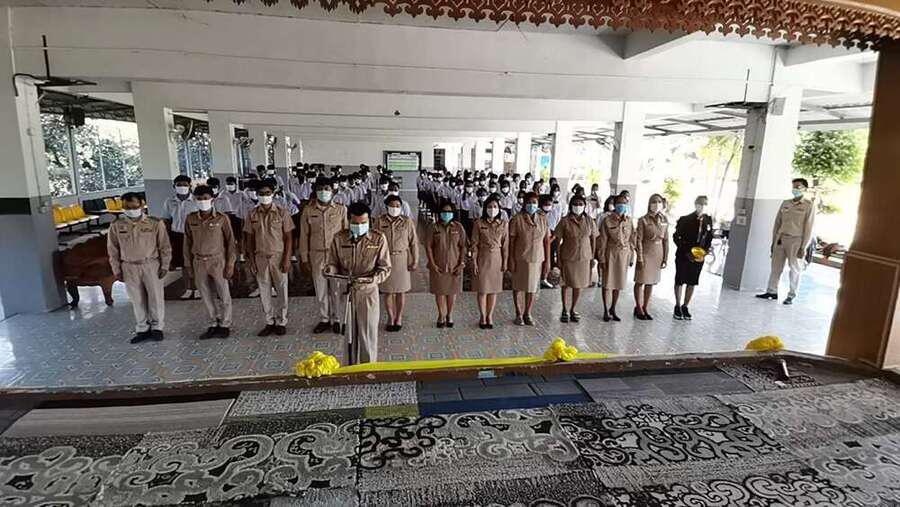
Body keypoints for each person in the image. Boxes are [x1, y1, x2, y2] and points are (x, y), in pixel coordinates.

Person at [325, 203, 391, 364]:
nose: (359, 226)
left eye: (363, 223)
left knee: (367, 335)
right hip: (346, 292)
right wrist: (330, 269)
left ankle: (368, 370)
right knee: (348, 336)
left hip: (368, 292)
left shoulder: (378, 238)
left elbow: (385, 268)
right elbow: (333, 263)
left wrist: (374, 279)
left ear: (369, 221)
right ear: (349, 221)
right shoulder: (339, 238)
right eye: (355, 223)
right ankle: (350, 368)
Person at [107, 193, 172, 343]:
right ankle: (142, 328)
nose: (131, 210)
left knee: (155, 297)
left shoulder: (154, 223)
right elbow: (112, 250)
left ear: (142, 205)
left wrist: (165, 265)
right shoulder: (116, 225)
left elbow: (165, 246)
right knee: (137, 300)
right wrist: (116, 270)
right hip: (129, 266)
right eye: (127, 207)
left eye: (134, 206)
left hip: (151, 265)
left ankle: (157, 327)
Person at [183, 185, 236, 339]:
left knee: (223, 293)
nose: (202, 201)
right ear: (195, 199)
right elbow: (187, 242)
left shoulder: (221, 218)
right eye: (199, 199)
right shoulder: (191, 218)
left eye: (205, 198)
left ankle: (225, 324)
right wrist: (188, 265)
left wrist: (230, 264)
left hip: (218, 260)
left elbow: (231, 242)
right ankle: (213, 323)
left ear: (212, 199)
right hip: (199, 261)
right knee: (205, 294)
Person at [244, 179, 294, 336]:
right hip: (260, 257)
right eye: (261, 193)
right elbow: (249, 239)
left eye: (267, 193)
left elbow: (288, 237)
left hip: (278, 257)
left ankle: (282, 321)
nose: (264, 196)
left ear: (273, 194)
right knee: (264, 290)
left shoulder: (282, 212)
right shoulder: (252, 214)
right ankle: (269, 321)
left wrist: (287, 258)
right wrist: (251, 261)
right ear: (257, 195)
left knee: (282, 290)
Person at [299, 177, 348, 334]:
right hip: (317, 255)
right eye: (320, 189)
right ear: (315, 191)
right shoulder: (308, 210)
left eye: (327, 188)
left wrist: (346, 257)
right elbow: (304, 236)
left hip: (336, 255)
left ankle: (337, 318)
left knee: (336, 289)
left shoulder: (341, 209)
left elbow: (346, 234)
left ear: (333, 191)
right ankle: (324, 319)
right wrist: (304, 258)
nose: (323, 192)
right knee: (320, 289)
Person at [756, 178, 817, 305]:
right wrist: (774, 241)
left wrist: (803, 247)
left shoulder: (808, 205)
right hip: (781, 239)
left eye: (798, 187)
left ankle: (791, 295)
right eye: (793, 186)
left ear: (805, 189)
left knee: (794, 268)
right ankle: (772, 291)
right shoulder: (786, 203)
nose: (795, 189)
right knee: (776, 267)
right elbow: (777, 223)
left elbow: (809, 228)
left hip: (796, 240)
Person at [375, 195, 419, 332]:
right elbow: (374, 241)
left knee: (401, 291)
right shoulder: (379, 221)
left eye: (397, 206)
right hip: (385, 259)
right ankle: (390, 317)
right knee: (388, 291)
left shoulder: (407, 221)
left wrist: (415, 260)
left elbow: (414, 243)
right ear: (386, 207)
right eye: (392, 206)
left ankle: (398, 317)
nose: (395, 208)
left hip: (402, 259)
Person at [508, 192, 551, 325]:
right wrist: (510, 259)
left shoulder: (543, 219)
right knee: (518, 286)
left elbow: (546, 241)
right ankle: (518, 313)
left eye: (534, 202)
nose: (531, 205)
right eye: (529, 202)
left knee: (532, 287)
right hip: (520, 258)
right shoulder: (517, 219)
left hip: (537, 259)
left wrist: (548, 261)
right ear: (524, 203)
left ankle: (527, 313)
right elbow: (511, 241)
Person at [555, 195, 597, 323]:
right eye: (575, 204)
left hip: (584, 257)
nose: (578, 206)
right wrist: (558, 258)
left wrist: (592, 257)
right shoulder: (564, 221)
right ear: (571, 205)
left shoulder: (589, 221)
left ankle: (573, 309)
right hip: (568, 257)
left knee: (579, 285)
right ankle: (564, 309)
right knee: (565, 284)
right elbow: (557, 241)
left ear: (584, 206)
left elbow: (593, 239)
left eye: (580, 204)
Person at [426, 200, 467, 327]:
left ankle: (449, 314)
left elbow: (463, 246)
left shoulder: (458, 227)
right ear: (440, 213)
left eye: (449, 211)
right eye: (444, 211)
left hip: (455, 266)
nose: (446, 213)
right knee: (440, 292)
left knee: (451, 292)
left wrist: (461, 264)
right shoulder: (434, 227)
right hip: (438, 266)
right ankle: (441, 315)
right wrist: (432, 264)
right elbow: (428, 247)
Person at [673, 195, 713, 320]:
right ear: (696, 204)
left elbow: (709, 237)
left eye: (705, 204)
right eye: (701, 203)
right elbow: (676, 237)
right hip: (684, 255)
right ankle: (677, 305)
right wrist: (686, 252)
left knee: (692, 281)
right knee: (680, 279)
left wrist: (705, 252)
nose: (703, 206)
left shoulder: (708, 220)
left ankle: (685, 306)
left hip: (699, 256)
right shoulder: (685, 219)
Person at [470, 195, 508, 329]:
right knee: (482, 290)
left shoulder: (503, 224)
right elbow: (474, 244)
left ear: (499, 209)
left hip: (497, 259)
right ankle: (482, 315)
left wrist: (505, 262)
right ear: (485, 208)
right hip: (482, 257)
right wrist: (474, 261)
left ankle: (490, 316)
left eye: (495, 207)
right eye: (490, 207)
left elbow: (505, 245)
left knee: (493, 290)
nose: (493, 209)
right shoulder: (478, 223)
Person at [596, 194, 634, 322]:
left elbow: (632, 240)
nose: (622, 206)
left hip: (624, 254)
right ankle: (605, 309)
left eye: (625, 203)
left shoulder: (629, 221)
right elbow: (602, 241)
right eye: (619, 203)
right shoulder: (607, 220)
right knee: (607, 283)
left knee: (618, 283)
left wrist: (631, 257)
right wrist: (601, 258)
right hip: (610, 253)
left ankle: (613, 308)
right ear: (615, 205)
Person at [161, 175, 198, 299]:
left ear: (190, 186)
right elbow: (166, 220)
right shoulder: (169, 201)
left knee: (195, 262)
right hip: (177, 235)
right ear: (174, 186)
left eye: (185, 185)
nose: (182, 187)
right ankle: (188, 288)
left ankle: (197, 287)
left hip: (193, 235)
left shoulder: (196, 200)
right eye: (179, 185)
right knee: (184, 264)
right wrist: (167, 238)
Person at [633, 194, 669, 320]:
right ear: (649, 204)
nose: (656, 204)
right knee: (640, 280)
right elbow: (638, 240)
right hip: (646, 252)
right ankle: (638, 307)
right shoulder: (643, 220)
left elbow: (666, 240)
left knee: (651, 282)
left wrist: (665, 257)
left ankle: (645, 307)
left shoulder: (664, 219)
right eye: (654, 201)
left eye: (659, 202)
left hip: (658, 253)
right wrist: (640, 258)